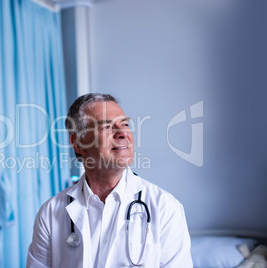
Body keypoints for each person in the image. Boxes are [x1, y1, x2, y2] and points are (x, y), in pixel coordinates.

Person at [27, 93, 193, 267]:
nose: (123, 133)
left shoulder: (165, 208)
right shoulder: (50, 213)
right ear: (78, 143)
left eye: (125, 124)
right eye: (106, 127)